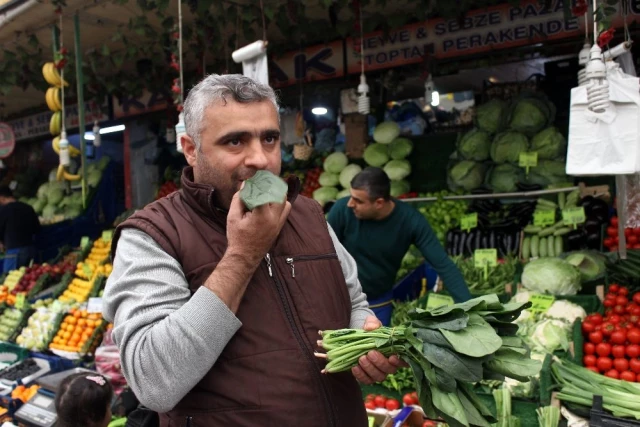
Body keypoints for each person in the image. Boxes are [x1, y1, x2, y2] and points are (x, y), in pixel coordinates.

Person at [103, 74, 401, 426]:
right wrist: (243, 255)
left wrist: (364, 338)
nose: (260, 159)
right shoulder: (154, 235)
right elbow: (153, 383)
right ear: (190, 148)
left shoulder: (308, 214)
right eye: (234, 142)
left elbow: (354, 303)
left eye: (270, 138)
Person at [327, 167, 472, 325]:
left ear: (379, 203)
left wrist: (470, 310)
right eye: (351, 196)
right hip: (339, 301)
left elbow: (443, 265)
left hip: (378, 302)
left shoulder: (410, 221)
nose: (350, 204)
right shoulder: (341, 211)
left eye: (358, 200)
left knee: (378, 348)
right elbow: (321, 252)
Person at [0, 186, 40, 273]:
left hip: (14, 252)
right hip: (31, 249)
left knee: (10, 280)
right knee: (31, 277)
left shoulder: (3, 210)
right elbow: (37, 229)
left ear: (2, 198)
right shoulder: (28, 207)